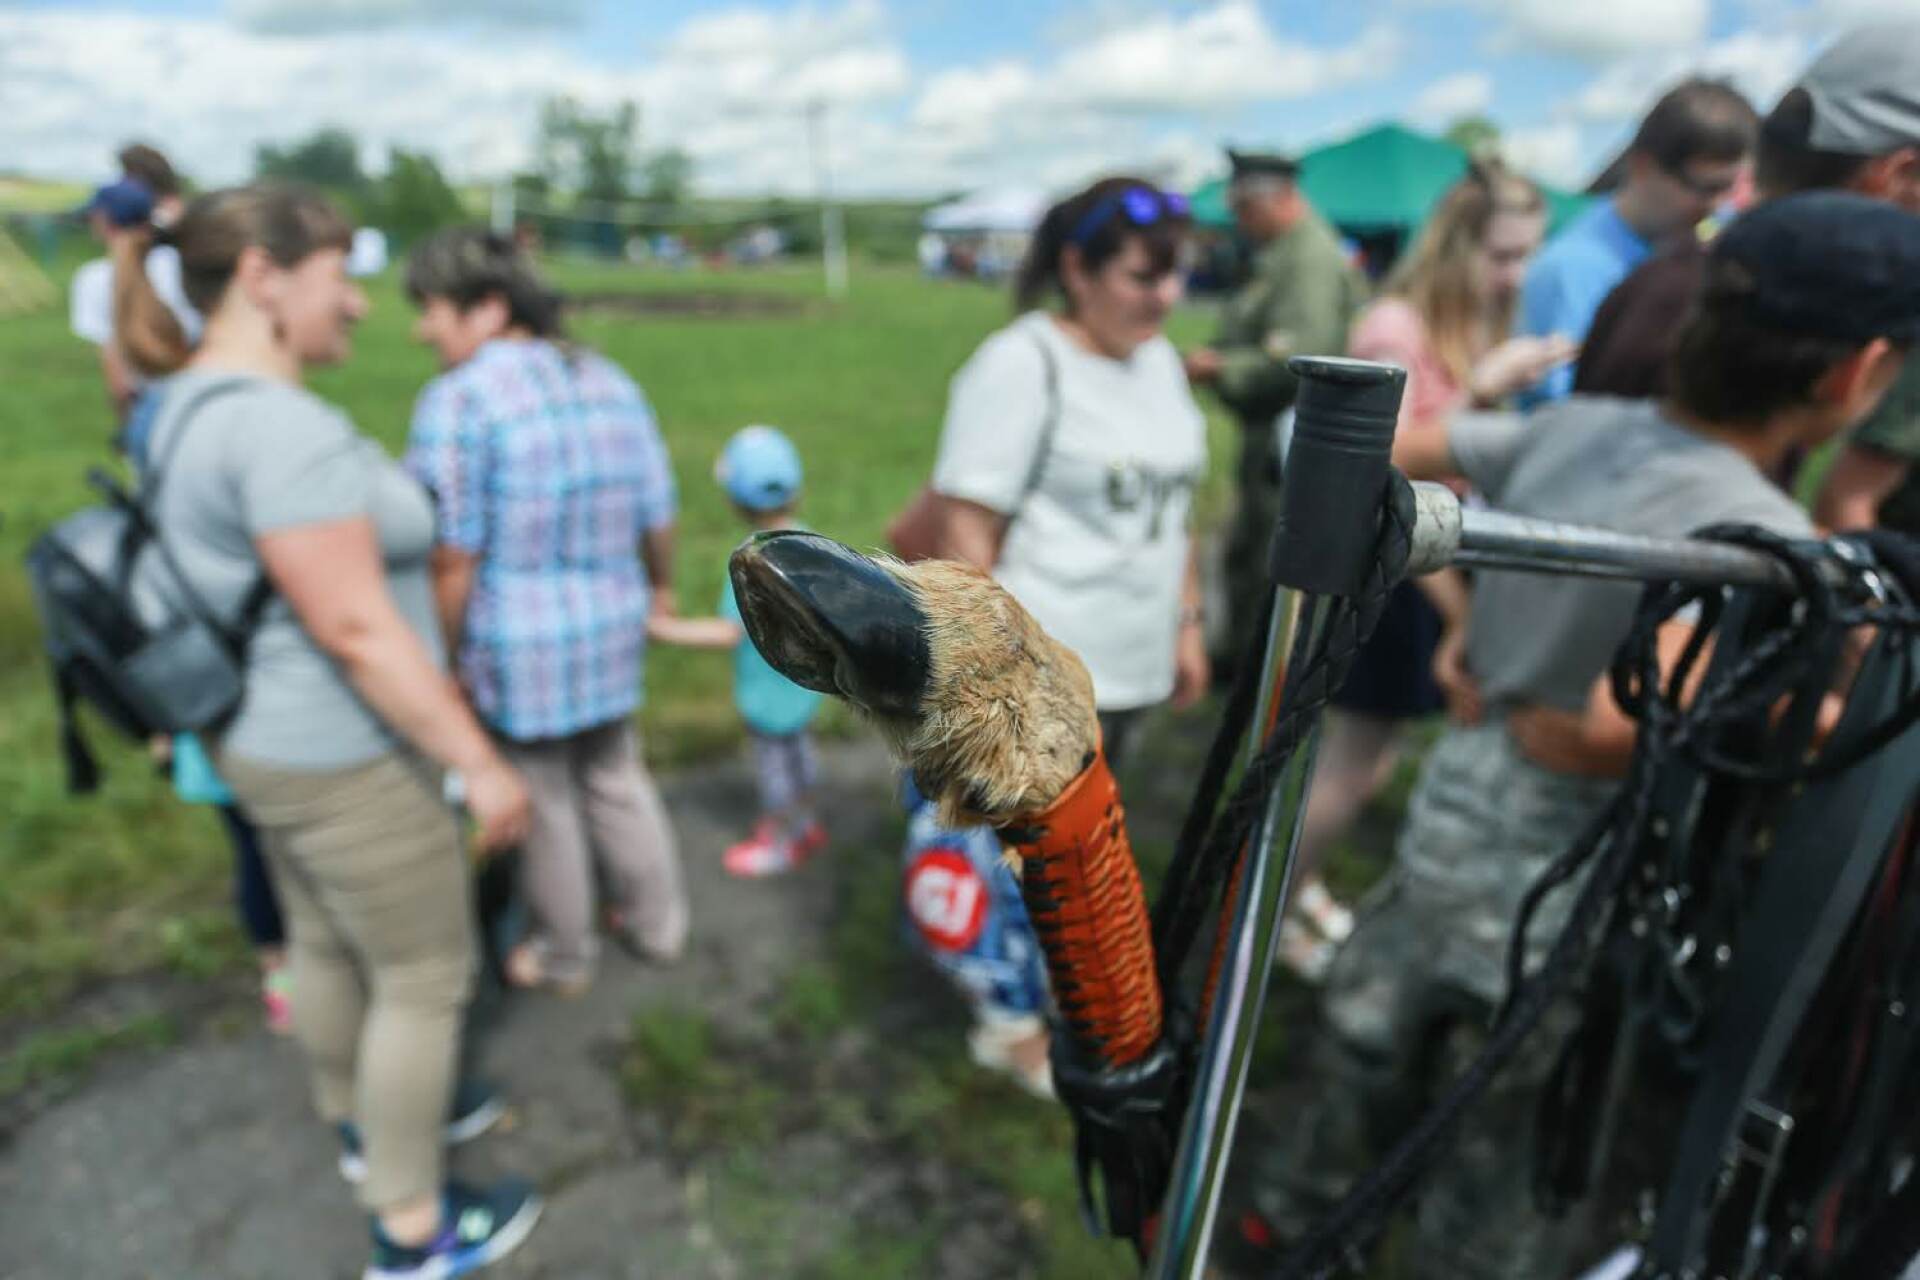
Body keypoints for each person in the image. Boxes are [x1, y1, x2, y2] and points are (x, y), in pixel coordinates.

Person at [1249, 192, 1920, 1280]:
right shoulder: (1765, 538)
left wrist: (1462, 616)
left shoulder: (1570, 426)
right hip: (1562, 868)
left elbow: (1362, 460)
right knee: (1504, 1131)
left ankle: (1286, 1230)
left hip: (1455, 800)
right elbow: (1615, 726)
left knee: (1369, 1040)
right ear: (1856, 374)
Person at [116, 184, 541, 1277]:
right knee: (425, 975)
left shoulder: (178, 403)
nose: (356, 303)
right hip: (349, 756)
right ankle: (412, 1227)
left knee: (322, 940)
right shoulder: (279, 426)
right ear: (263, 276)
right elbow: (357, 630)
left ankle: (360, 1125)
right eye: (339, 276)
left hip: (258, 742)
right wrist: (480, 764)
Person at [904, 175, 1210, 1089]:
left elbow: (1177, 510)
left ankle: (1066, 988)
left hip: (1128, 667)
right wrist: (1004, 685)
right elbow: (964, 528)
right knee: (1005, 855)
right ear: (1076, 269)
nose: (1166, 296)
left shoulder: (1157, 361)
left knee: (1077, 856)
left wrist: (1186, 623)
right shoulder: (1022, 363)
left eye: (1176, 275)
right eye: (1142, 276)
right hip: (1039, 678)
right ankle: (1007, 1022)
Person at [1279, 160, 1567, 979]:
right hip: (1395, 574)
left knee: (1365, 761)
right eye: (1502, 255)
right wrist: (1484, 391)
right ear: (1455, 247)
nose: (1516, 275)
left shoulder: (1468, 322)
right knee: (1353, 764)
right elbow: (1384, 474)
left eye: (1527, 255)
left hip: (1428, 570)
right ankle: (1269, 913)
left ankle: (1297, 887)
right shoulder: (1396, 330)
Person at [403, 226, 689, 998]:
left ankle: (564, 954)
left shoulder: (459, 400)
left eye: (432, 310)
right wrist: (660, 587)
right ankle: (659, 924)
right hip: (613, 622)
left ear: (488, 307)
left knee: (546, 801)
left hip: (518, 641)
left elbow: (452, 553)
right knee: (616, 776)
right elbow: (658, 509)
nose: (422, 330)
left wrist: (441, 656)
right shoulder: (607, 377)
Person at [1184, 148, 1368, 683]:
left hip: (1288, 441)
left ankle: (1257, 683)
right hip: (1270, 437)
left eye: (1243, 208)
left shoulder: (1307, 257)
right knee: (1248, 554)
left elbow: (1303, 356)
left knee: (1269, 563)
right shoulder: (1284, 251)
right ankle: (1244, 673)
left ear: (1276, 200)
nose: (1238, 220)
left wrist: (1222, 366)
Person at [647, 425, 827, 878]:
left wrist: (666, 630)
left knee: (775, 772)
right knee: (800, 757)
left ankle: (782, 843)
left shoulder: (752, 560)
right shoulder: (811, 543)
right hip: (804, 686)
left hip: (764, 694)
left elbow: (731, 632)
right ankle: (805, 824)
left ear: (735, 500)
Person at [1515, 77, 1757, 409]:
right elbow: (1571, 410)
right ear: (1644, 166)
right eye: (1705, 188)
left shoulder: (1685, 240)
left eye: (1727, 188)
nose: (1716, 206)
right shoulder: (1574, 270)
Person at [69, 175, 201, 422]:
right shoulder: (182, 262)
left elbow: (114, 364)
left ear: (103, 220)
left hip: (147, 405)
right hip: (199, 392)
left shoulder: (93, 278)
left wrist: (127, 420)